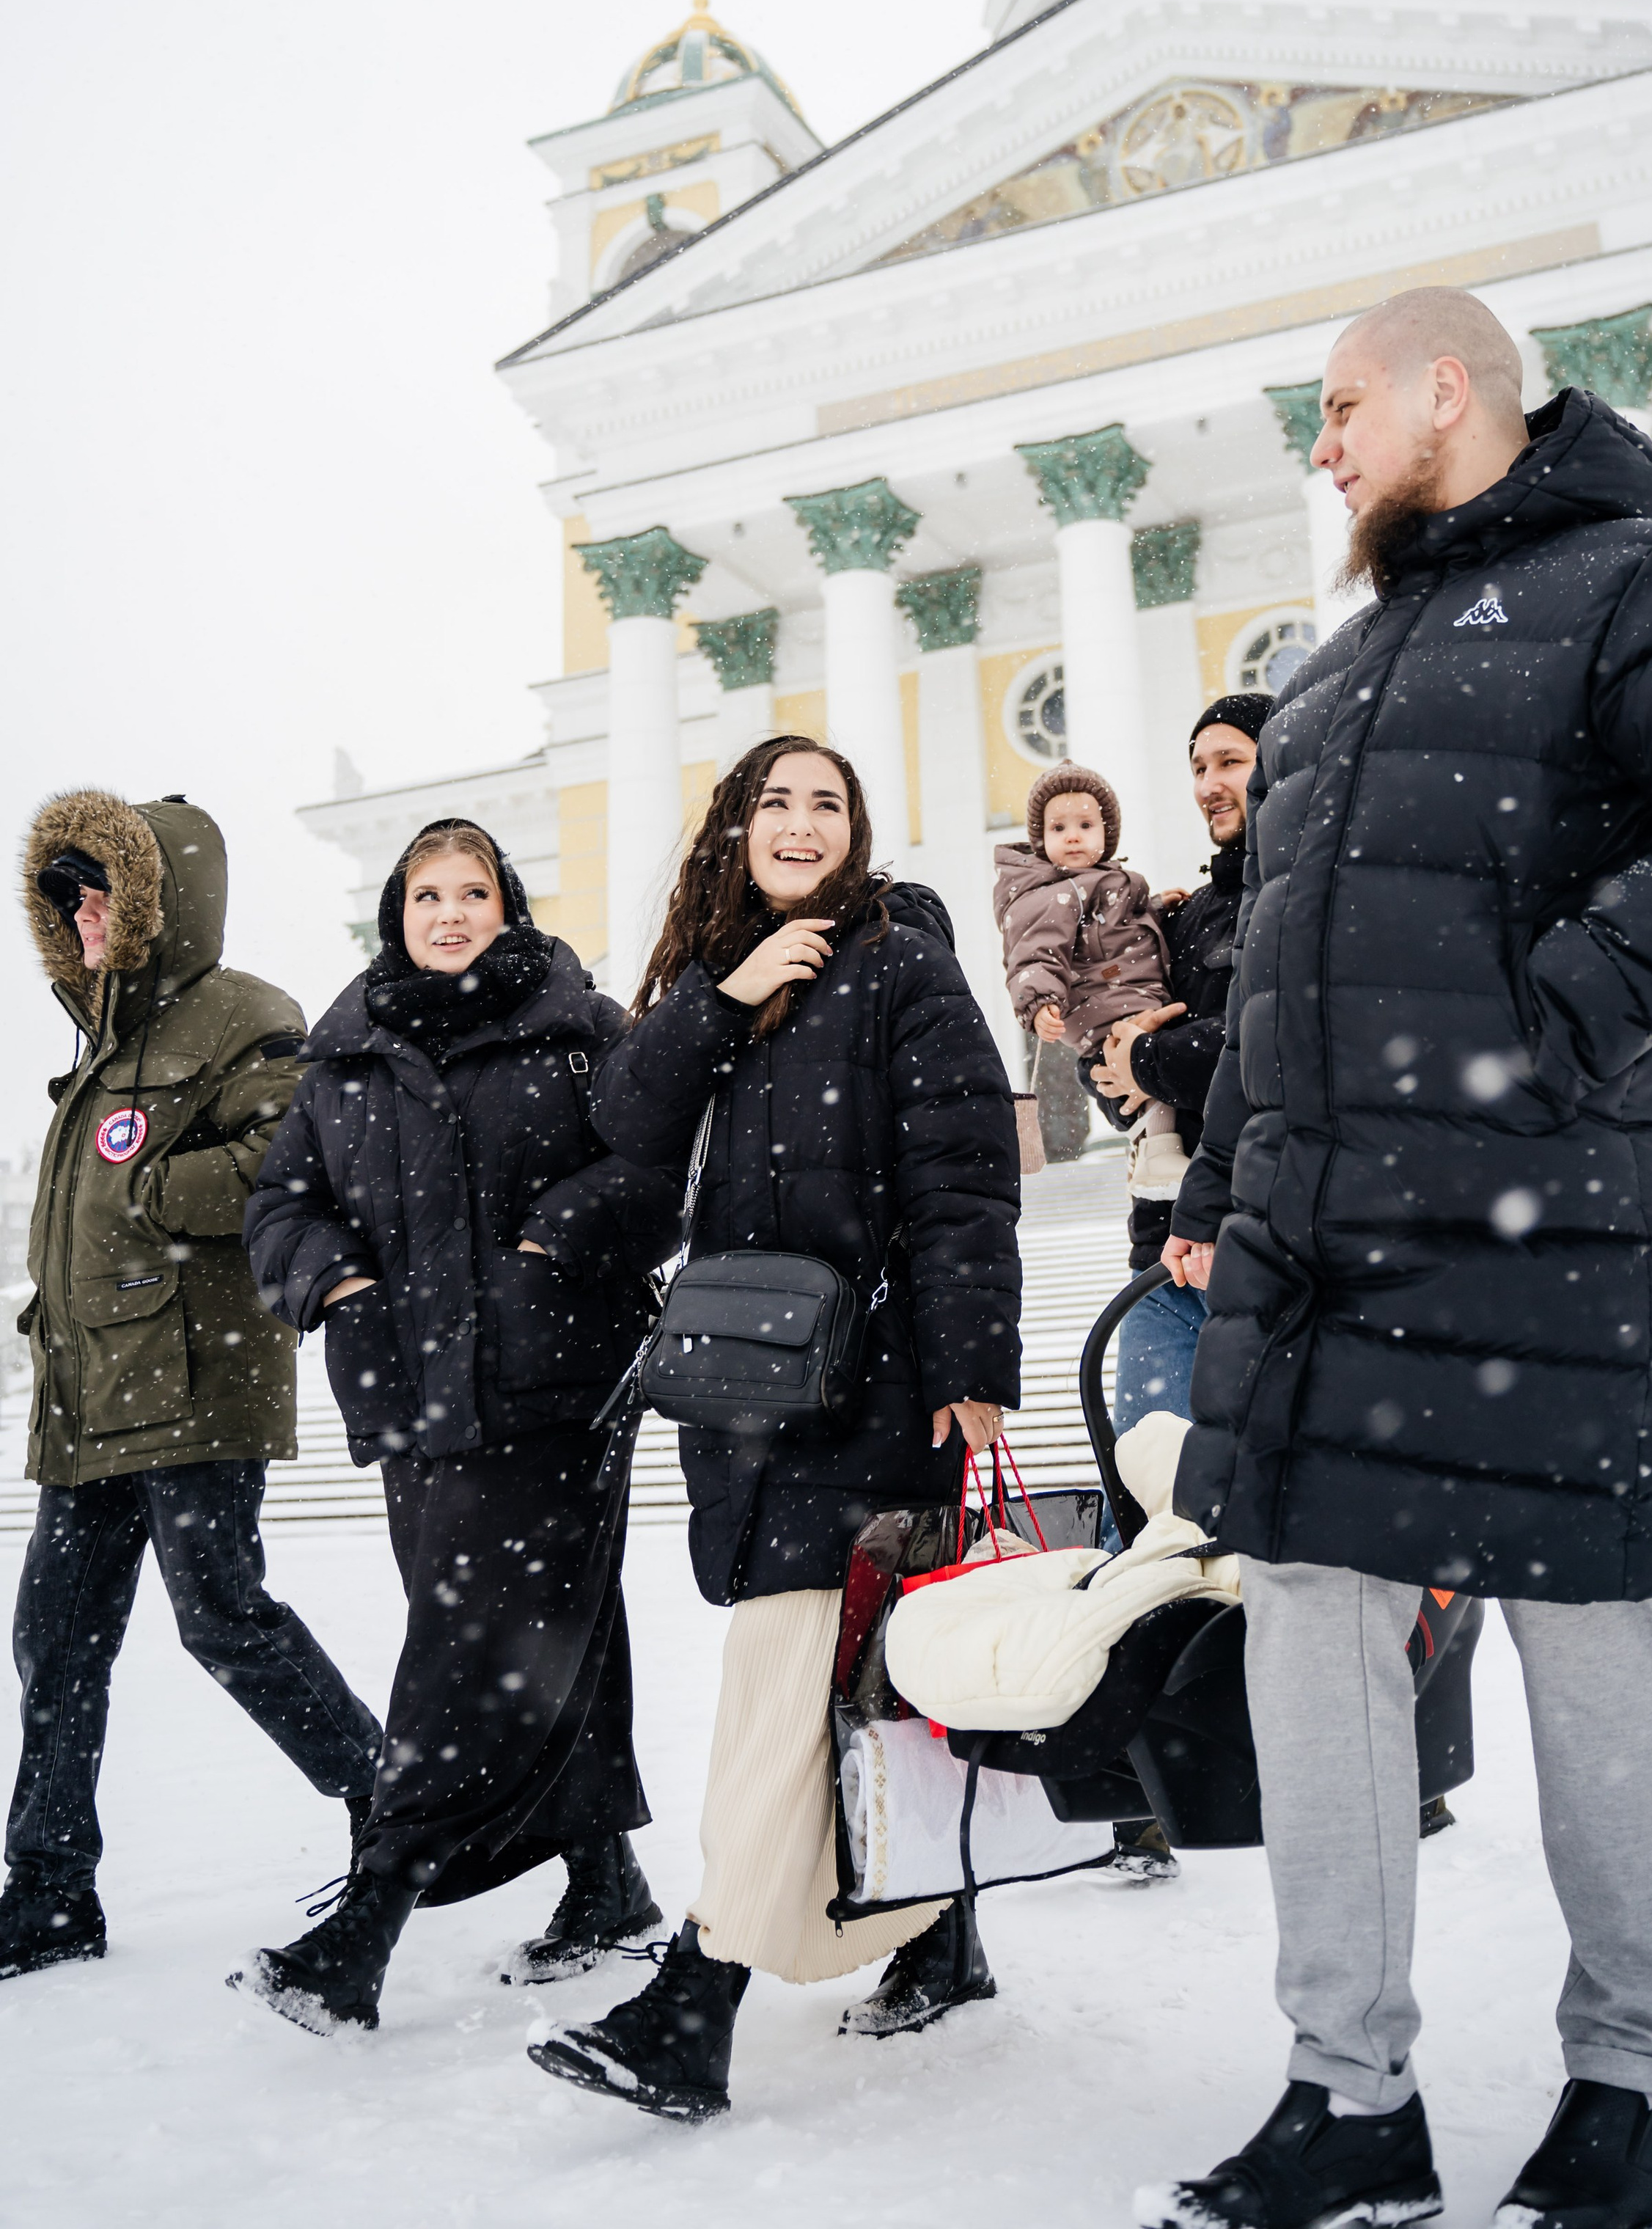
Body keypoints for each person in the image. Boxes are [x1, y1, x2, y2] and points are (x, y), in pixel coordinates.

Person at [1137, 288, 1652, 2229]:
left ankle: (1640, 2076)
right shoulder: (1328, 673)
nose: (1321, 445)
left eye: (1344, 405)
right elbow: (1286, 969)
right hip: (1323, 1253)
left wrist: (1553, 1020)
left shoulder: (1646, 580)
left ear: (1449, 389)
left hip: (1555, 1230)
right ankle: (1349, 2093)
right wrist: (1220, 1189)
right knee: (1305, 1625)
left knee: (1590, 1631)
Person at [530, 735, 1021, 2124]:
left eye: (828, 803)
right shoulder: (724, 980)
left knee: (777, 1696)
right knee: (850, 1699)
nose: (801, 823)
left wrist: (973, 1359)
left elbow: (964, 1168)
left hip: (873, 1385)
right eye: (774, 802)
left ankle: (697, 2001)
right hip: (749, 1394)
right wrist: (715, 996)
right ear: (734, 830)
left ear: (857, 829)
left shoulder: (900, 962)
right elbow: (624, 1125)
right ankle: (939, 1932)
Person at [233, 819, 669, 2034]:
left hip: (555, 1382)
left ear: (508, 905)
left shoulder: (580, 1029)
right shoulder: (346, 1055)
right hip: (412, 1399)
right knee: (542, 1625)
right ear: (398, 912)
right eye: (428, 894)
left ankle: (373, 1909)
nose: (450, 913)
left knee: (466, 1643)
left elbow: (657, 1167)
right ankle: (605, 1881)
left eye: (472, 891)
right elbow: (281, 1204)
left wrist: (558, 1241)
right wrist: (336, 1285)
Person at [3, 791, 381, 1983]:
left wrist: (158, 1197)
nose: (87, 918)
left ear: (162, 899)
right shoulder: (102, 1038)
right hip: (94, 1392)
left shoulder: (245, 1016)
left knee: (223, 1618)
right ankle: (51, 1893)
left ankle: (395, 1809)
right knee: (55, 1640)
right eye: (69, 900)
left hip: (198, 1382)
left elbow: (288, 1159)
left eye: (103, 894)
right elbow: (81, 1216)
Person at [1078, 696, 1266, 1886]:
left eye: (1230, 760)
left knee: (1308, 1510)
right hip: (1169, 1250)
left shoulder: (1309, 883)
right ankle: (1123, 1779)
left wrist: (1155, 1048)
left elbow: (1261, 1046)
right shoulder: (1182, 915)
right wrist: (1130, 1058)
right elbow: (1121, 1075)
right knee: (1138, 1488)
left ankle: (1398, 1753)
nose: (1207, 780)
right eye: (1195, 763)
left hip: (1278, 1243)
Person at [994, 764, 1185, 1194]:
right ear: (1041, 838)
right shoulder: (1053, 893)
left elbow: (1114, 930)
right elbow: (1033, 951)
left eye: (1085, 824)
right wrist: (1039, 1002)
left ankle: (1147, 1149)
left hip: (1123, 990)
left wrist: (1155, 908)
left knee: (1150, 1064)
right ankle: (1159, 1151)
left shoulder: (1099, 882)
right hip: (1104, 999)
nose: (1073, 836)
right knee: (1150, 1057)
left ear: (1106, 833)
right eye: (1059, 827)